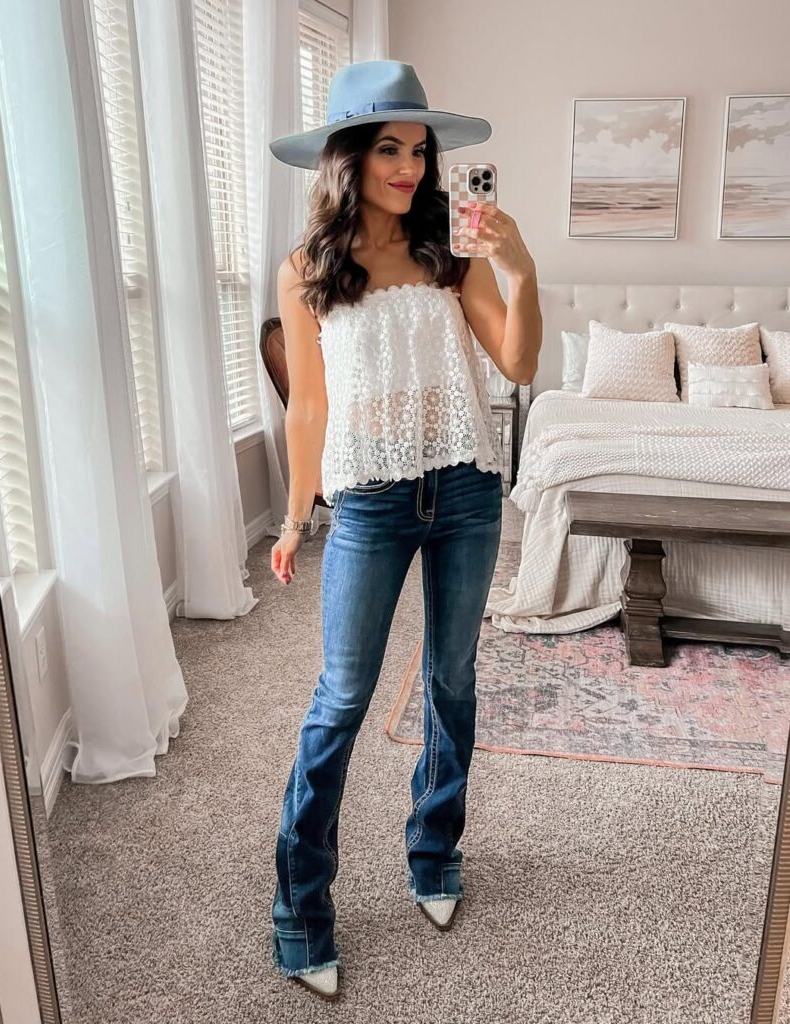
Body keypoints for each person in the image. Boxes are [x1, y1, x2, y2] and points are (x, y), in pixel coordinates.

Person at [267, 59, 542, 1001]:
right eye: (389, 148)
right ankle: (301, 905)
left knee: (450, 679)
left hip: (465, 488)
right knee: (342, 698)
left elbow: (515, 358)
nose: (410, 168)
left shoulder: (450, 251)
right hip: (371, 501)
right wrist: (297, 516)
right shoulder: (307, 269)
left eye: (420, 152)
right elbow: (308, 406)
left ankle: (433, 850)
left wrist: (519, 266)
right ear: (349, 156)